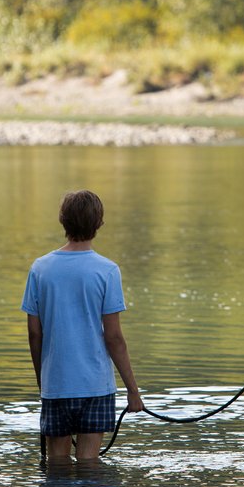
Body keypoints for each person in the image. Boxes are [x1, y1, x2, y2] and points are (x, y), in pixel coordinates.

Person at [21, 190, 145, 460]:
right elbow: (114, 338)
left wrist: (44, 381)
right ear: (98, 223)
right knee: (90, 465)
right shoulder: (107, 270)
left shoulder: (40, 269)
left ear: (62, 221)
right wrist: (133, 392)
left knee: (57, 466)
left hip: (56, 384)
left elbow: (34, 334)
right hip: (96, 386)